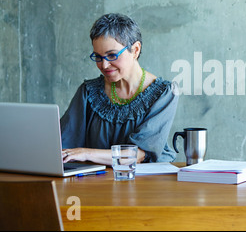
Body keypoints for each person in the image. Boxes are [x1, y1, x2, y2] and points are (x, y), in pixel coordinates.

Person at [60, 13, 178, 165]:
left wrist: (86, 153)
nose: (104, 65)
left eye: (112, 55)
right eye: (98, 57)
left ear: (135, 50)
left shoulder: (163, 92)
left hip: (148, 182)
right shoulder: (88, 92)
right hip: (97, 181)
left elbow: (138, 155)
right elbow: (64, 144)